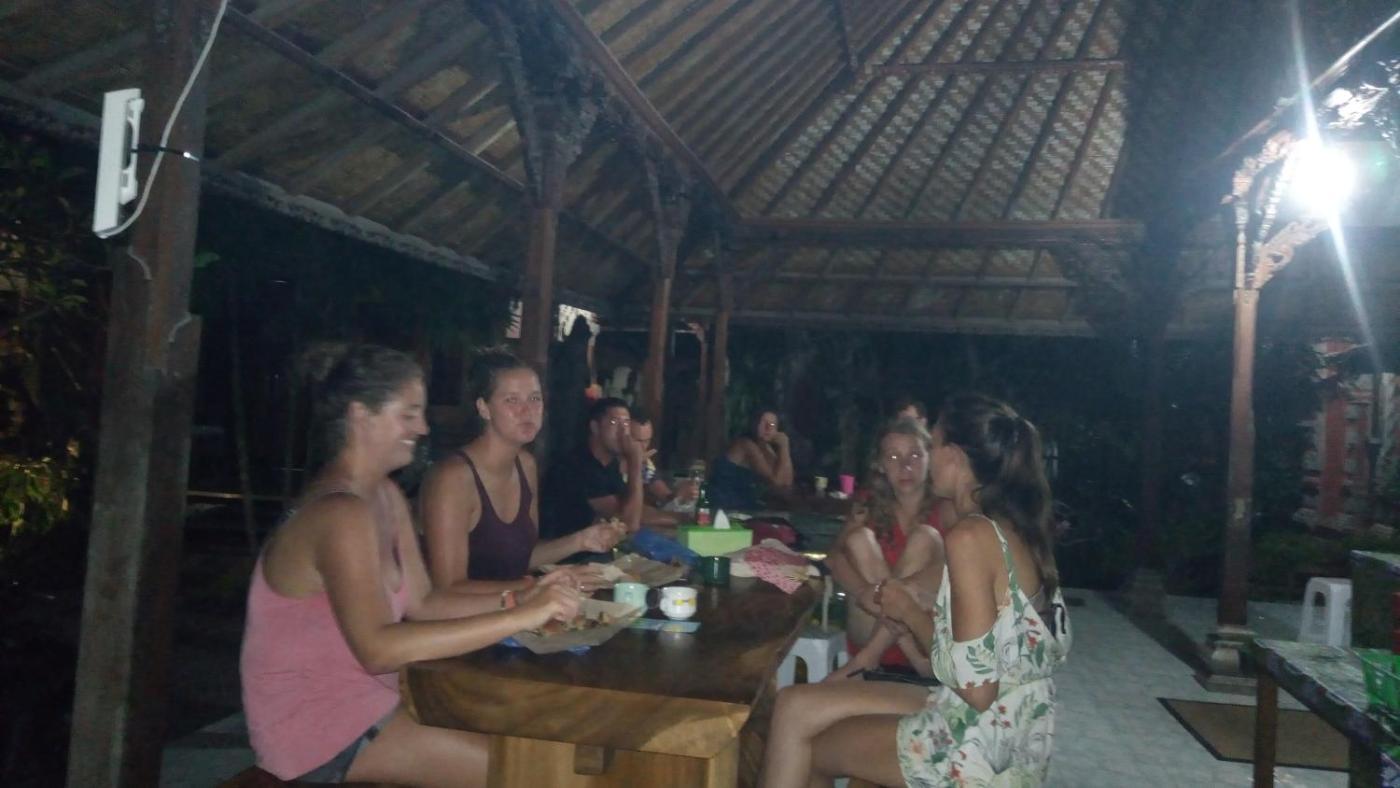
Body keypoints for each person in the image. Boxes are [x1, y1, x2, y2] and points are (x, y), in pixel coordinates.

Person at [240, 344, 582, 787]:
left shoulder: (385, 494)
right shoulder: (338, 512)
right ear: (361, 415)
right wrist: (522, 616)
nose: (422, 427)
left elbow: (425, 604)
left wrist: (523, 596)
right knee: (533, 774)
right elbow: (378, 650)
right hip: (318, 729)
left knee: (540, 736)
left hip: (376, 701)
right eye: (408, 414)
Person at [761, 394, 1072, 788]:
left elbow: (977, 689)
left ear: (953, 455)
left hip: (981, 741)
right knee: (794, 705)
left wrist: (909, 613)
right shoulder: (1013, 527)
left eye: (933, 444)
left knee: (811, 750)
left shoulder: (970, 536)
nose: (926, 458)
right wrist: (903, 614)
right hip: (1013, 725)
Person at [420, 348, 624, 598]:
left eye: (535, 398)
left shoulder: (525, 465)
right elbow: (447, 590)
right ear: (484, 408)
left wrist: (581, 541)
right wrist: (537, 587)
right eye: (512, 400)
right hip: (470, 620)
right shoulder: (452, 479)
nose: (527, 411)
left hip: (516, 612)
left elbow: (520, 558)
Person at [823, 417, 954, 678]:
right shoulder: (868, 504)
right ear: (880, 465)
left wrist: (903, 604)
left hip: (924, 631)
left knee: (925, 537)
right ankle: (891, 656)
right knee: (859, 539)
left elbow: (956, 574)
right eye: (893, 457)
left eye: (914, 455)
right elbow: (833, 559)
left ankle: (868, 659)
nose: (905, 466)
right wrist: (863, 593)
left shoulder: (947, 508)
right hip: (876, 625)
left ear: (930, 458)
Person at [540, 397, 678, 548]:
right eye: (614, 423)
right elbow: (629, 523)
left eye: (626, 423)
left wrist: (682, 518)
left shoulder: (610, 464)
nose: (623, 432)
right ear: (595, 427)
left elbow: (632, 508)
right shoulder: (578, 466)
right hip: (568, 555)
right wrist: (635, 463)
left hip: (597, 549)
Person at [708, 407, 793, 510]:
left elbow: (786, 482)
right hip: (724, 504)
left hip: (742, 502)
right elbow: (776, 482)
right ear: (754, 424)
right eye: (764, 423)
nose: (768, 428)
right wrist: (784, 447)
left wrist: (784, 449)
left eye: (772, 425)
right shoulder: (745, 444)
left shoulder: (766, 447)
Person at [627, 405, 698, 510]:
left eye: (647, 441)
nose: (643, 447)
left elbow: (665, 496)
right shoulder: (613, 464)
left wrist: (680, 494)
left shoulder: (645, 464)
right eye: (637, 441)